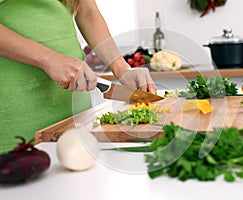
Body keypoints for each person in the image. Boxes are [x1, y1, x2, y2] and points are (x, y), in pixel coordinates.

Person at [0, 0, 157, 154]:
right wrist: (49, 59)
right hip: (18, 107)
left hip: (74, 104)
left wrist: (121, 68)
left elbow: (88, 12)